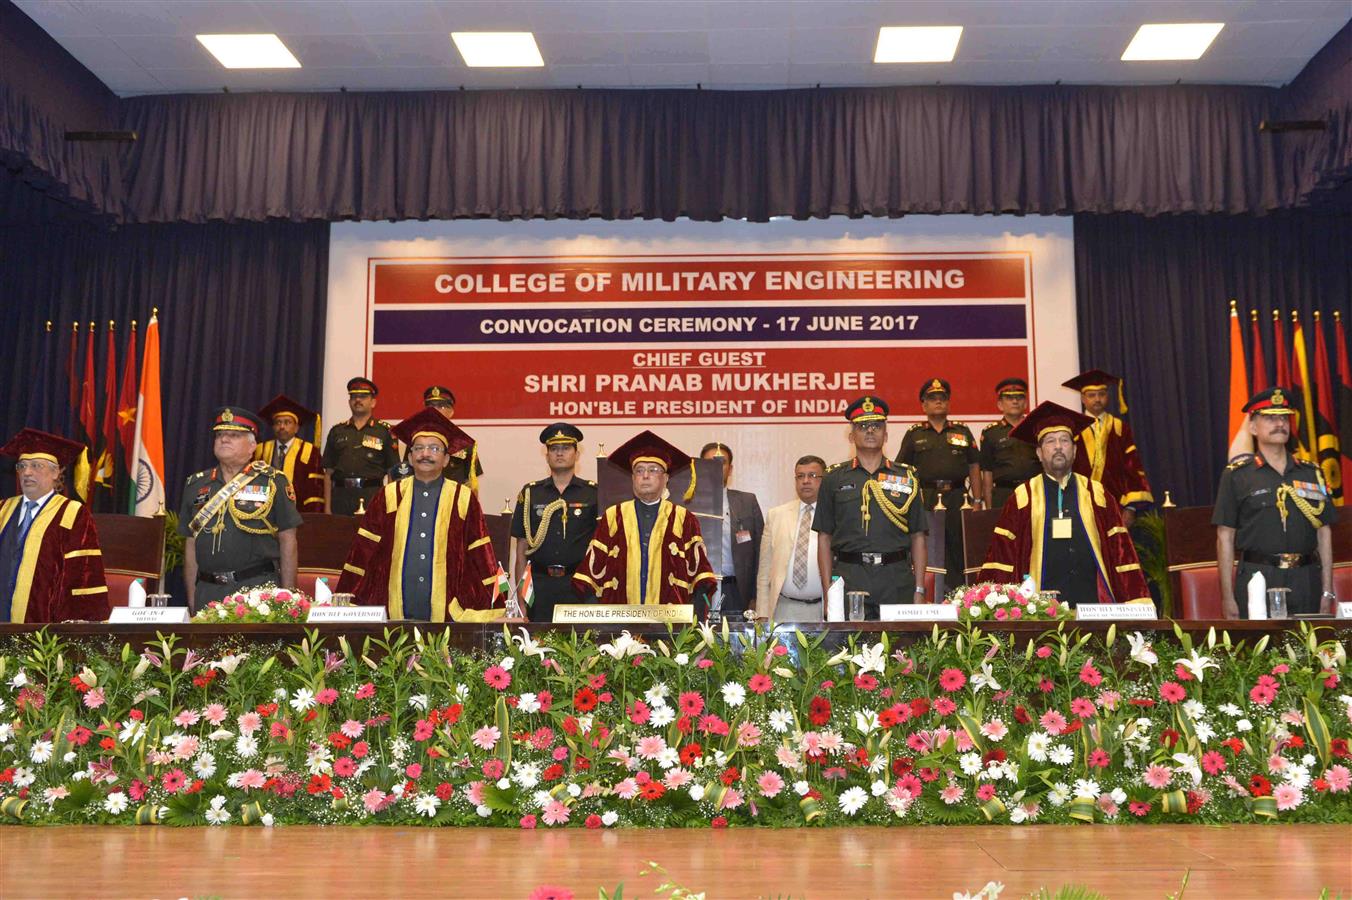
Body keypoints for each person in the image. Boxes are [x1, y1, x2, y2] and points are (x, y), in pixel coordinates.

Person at [978, 402, 1151, 606]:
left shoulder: (1098, 495)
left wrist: (1136, 605)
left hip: (1093, 605)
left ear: (1075, 450)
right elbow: (1002, 558)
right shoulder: (1023, 497)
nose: (1058, 446)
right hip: (1041, 610)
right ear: (1040, 453)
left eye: (1065, 440)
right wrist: (996, 609)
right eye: (1050, 441)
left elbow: (1122, 555)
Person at [336, 408, 501, 621]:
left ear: (446, 459)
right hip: (393, 612)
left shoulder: (463, 497)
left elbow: (481, 554)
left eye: (434, 448)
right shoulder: (388, 495)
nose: (425, 454)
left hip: (448, 613)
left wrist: (495, 602)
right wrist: (346, 598)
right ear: (410, 457)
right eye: (419, 448)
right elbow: (362, 551)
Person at [1214, 387, 1338, 618]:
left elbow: (1324, 534)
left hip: (1307, 578)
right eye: (1270, 418)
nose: (1279, 423)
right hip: (1258, 577)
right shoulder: (1237, 475)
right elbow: (1225, 537)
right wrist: (1227, 597)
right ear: (1252, 427)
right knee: (1259, 650)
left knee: (1310, 650)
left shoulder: (1312, 473)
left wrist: (1327, 591)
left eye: (1283, 417)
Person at [573, 430, 716, 612]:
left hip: (669, 625)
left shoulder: (683, 518)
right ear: (633, 478)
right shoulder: (613, 516)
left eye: (653, 470)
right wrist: (598, 620)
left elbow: (701, 579)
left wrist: (693, 622)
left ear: (666, 478)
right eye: (639, 470)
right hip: (619, 623)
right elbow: (588, 577)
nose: (645, 475)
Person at [815, 396, 929, 618]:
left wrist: (919, 589)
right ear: (851, 435)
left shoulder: (907, 476)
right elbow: (824, 537)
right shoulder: (833, 477)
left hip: (896, 578)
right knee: (849, 649)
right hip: (849, 576)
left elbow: (918, 536)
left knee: (900, 649)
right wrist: (829, 591)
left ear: (885, 435)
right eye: (862, 426)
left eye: (876, 426)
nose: (870, 431)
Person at [180, 407, 301, 610]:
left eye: (234, 435)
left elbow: (288, 540)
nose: (224, 440)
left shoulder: (273, 482)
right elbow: (191, 544)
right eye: (220, 435)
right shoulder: (195, 485)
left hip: (257, 592)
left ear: (252, 445)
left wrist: (287, 598)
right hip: (208, 592)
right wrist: (193, 599)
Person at [0, 429, 109, 622]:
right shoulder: (3, 509)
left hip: (44, 634)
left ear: (55, 472)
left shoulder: (73, 514)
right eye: (22, 465)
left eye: (36, 466)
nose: (27, 472)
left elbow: (82, 580)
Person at [896, 378, 980, 588]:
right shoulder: (915, 434)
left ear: (948, 403)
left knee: (960, 548)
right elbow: (903, 470)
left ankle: (961, 593)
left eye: (942, 398)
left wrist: (977, 500)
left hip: (959, 497)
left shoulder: (962, 431)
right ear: (923, 405)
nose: (938, 402)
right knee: (929, 548)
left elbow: (974, 467)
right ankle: (929, 592)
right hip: (927, 498)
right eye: (932, 399)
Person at [510, 423, 598, 623]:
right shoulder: (531, 493)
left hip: (579, 585)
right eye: (554, 449)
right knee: (537, 647)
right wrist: (521, 600)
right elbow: (522, 549)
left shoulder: (593, 493)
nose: (560, 453)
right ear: (547, 455)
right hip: (539, 586)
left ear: (576, 453)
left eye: (566, 448)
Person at [1062, 369, 1153, 527]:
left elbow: (1132, 468)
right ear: (1083, 398)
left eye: (1102, 394)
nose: (1097, 399)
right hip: (1079, 505)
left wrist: (1130, 508)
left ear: (1108, 396)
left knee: (1115, 550)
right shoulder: (1072, 428)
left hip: (1116, 506)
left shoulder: (1119, 428)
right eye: (1091, 395)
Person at [756, 455, 826, 622]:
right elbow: (764, 571)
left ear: (825, 480)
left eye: (813, 476)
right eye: (800, 476)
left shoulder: (836, 515)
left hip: (823, 609)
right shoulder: (776, 515)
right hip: (784, 608)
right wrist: (762, 612)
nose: (806, 481)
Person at [699, 441, 764, 618]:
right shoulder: (688, 504)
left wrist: (757, 596)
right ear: (700, 467)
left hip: (736, 590)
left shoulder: (747, 501)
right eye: (711, 462)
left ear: (730, 468)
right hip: (700, 590)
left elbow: (760, 551)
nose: (717, 467)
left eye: (722, 462)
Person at [322, 377, 399, 515]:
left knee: (371, 537)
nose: (358, 400)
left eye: (363, 396)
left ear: (373, 402)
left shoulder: (385, 431)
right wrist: (327, 508)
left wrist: (390, 506)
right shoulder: (337, 431)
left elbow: (392, 472)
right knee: (339, 536)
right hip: (341, 496)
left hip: (372, 495)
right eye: (354, 397)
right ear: (349, 402)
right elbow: (328, 474)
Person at [390, 385, 485, 489]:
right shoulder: (416, 439)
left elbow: (471, 482)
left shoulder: (463, 442)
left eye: (441, 406)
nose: (435, 410)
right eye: (431, 406)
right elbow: (408, 474)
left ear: (451, 412)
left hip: (453, 498)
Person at [255, 394, 325, 512]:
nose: (282, 427)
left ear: (296, 427)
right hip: (264, 513)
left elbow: (315, 489)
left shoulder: (309, 451)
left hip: (297, 514)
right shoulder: (260, 450)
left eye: (287, 422)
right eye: (278, 422)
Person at [979, 378, 1041, 511]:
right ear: (1000, 404)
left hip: (1034, 492)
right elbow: (987, 473)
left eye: (1019, 397)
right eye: (1009, 398)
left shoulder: (1036, 429)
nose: (1015, 401)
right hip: (1004, 494)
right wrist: (989, 509)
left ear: (1025, 403)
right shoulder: (990, 433)